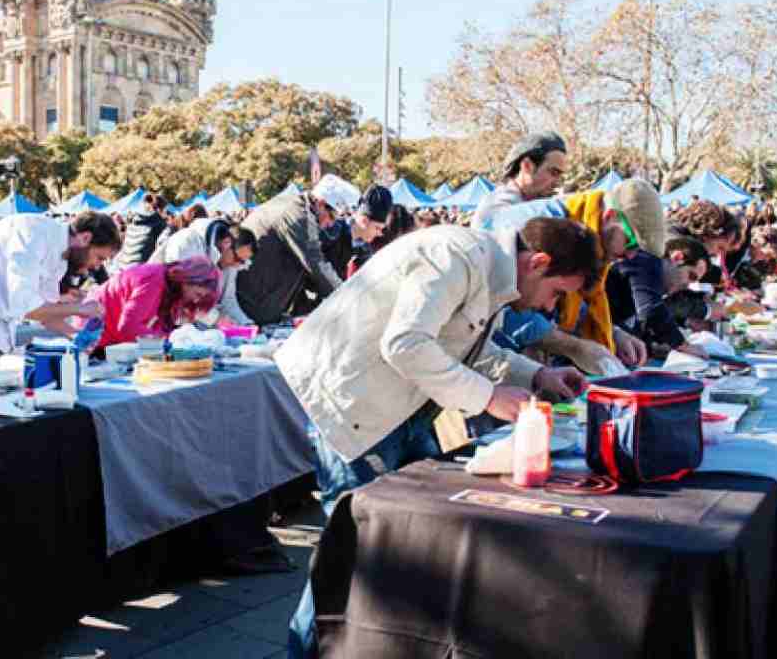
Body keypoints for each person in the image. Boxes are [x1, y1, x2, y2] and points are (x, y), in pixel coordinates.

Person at [280, 217, 598, 659]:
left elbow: (463, 347)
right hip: (354, 404)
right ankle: (304, 652)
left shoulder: (490, 269)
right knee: (354, 547)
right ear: (538, 263)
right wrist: (488, 397)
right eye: (557, 292)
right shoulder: (457, 256)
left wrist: (538, 373)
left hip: (397, 405)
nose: (549, 307)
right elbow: (406, 343)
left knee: (415, 530)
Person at [476, 179, 664, 373]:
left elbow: (570, 299)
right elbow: (506, 308)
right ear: (610, 216)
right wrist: (573, 346)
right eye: (631, 243)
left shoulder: (592, 233)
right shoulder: (538, 226)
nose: (631, 256)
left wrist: (614, 333)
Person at [0, 211, 121, 375]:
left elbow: (45, 314)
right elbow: (28, 309)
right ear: (85, 238)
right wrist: (80, 309)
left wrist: (78, 337)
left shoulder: (59, 254)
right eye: (99, 258)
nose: (97, 267)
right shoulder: (32, 234)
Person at [235, 186, 344, 325]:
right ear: (321, 204)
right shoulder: (298, 216)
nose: (330, 223)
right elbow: (316, 265)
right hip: (253, 300)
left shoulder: (296, 207)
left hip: (258, 296)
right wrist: (345, 294)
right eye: (332, 216)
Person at [607, 236, 712, 358]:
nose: (687, 285)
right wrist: (683, 345)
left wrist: (654, 348)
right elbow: (650, 311)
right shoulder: (647, 259)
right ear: (677, 257)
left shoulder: (655, 279)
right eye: (691, 276)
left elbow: (640, 324)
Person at [86, 256, 221, 349]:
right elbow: (128, 327)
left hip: (109, 339)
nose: (196, 300)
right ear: (187, 280)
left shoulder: (171, 288)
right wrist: (169, 342)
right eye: (197, 294)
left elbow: (158, 328)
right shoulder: (153, 281)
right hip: (94, 337)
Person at [150, 216, 258, 324]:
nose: (237, 265)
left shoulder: (230, 261)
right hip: (154, 315)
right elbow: (182, 294)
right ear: (226, 243)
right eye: (237, 259)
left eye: (242, 262)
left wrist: (246, 323)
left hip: (184, 324)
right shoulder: (187, 241)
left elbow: (228, 300)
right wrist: (216, 319)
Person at [471, 131, 569, 226]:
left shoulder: (533, 204)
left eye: (560, 175)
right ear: (527, 166)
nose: (557, 182)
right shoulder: (494, 206)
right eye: (553, 173)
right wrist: (567, 205)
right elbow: (495, 223)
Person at [319, 185, 393, 279]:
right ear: (364, 221)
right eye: (377, 228)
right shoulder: (331, 234)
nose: (379, 233)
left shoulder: (364, 250)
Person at [110, 193, 170, 273]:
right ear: (161, 209)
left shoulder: (133, 220)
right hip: (140, 270)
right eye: (166, 211)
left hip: (123, 268)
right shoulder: (159, 224)